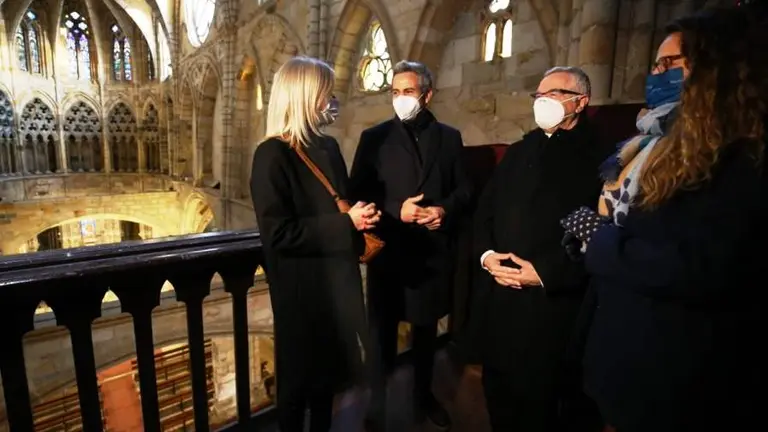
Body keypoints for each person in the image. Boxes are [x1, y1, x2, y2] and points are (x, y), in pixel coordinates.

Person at [561, 7, 768, 432]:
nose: (656, 73)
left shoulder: (739, 158)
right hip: (616, 347)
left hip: (669, 372)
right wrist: (587, 236)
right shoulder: (646, 146)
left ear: (714, 69)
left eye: (668, 63)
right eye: (655, 64)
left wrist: (599, 240)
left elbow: (701, 266)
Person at [471, 66, 611, 432]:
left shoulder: (603, 157)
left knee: (545, 410)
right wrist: (487, 257)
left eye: (554, 94)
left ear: (581, 102)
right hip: (500, 301)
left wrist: (546, 272)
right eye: (538, 96)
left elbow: (602, 234)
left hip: (553, 309)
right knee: (498, 399)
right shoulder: (519, 151)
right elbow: (484, 211)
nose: (542, 102)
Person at [250, 56, 380, 432]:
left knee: (327, 385)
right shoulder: (271, 155)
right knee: (296, 391)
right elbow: (278, 234)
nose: (333, 100)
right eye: (327, 92)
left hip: (338, 288)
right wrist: (344, 223)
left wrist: (360, 214)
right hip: (301, 296)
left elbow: (339, 201)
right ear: (305, 96)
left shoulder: (328, 147)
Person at [349, 60, 471, 429]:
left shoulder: (449, 137)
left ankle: (423, 395)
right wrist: (394, 210)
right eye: (396, 91)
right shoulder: (374, 138)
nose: (401, 98)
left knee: (424, 334)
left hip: (431, 254)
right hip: (389, 251)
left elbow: (464, 189)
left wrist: (443, 211)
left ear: (428, 95)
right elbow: (356, 194)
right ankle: (377, 402)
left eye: (409, 91)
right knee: (381, 333)